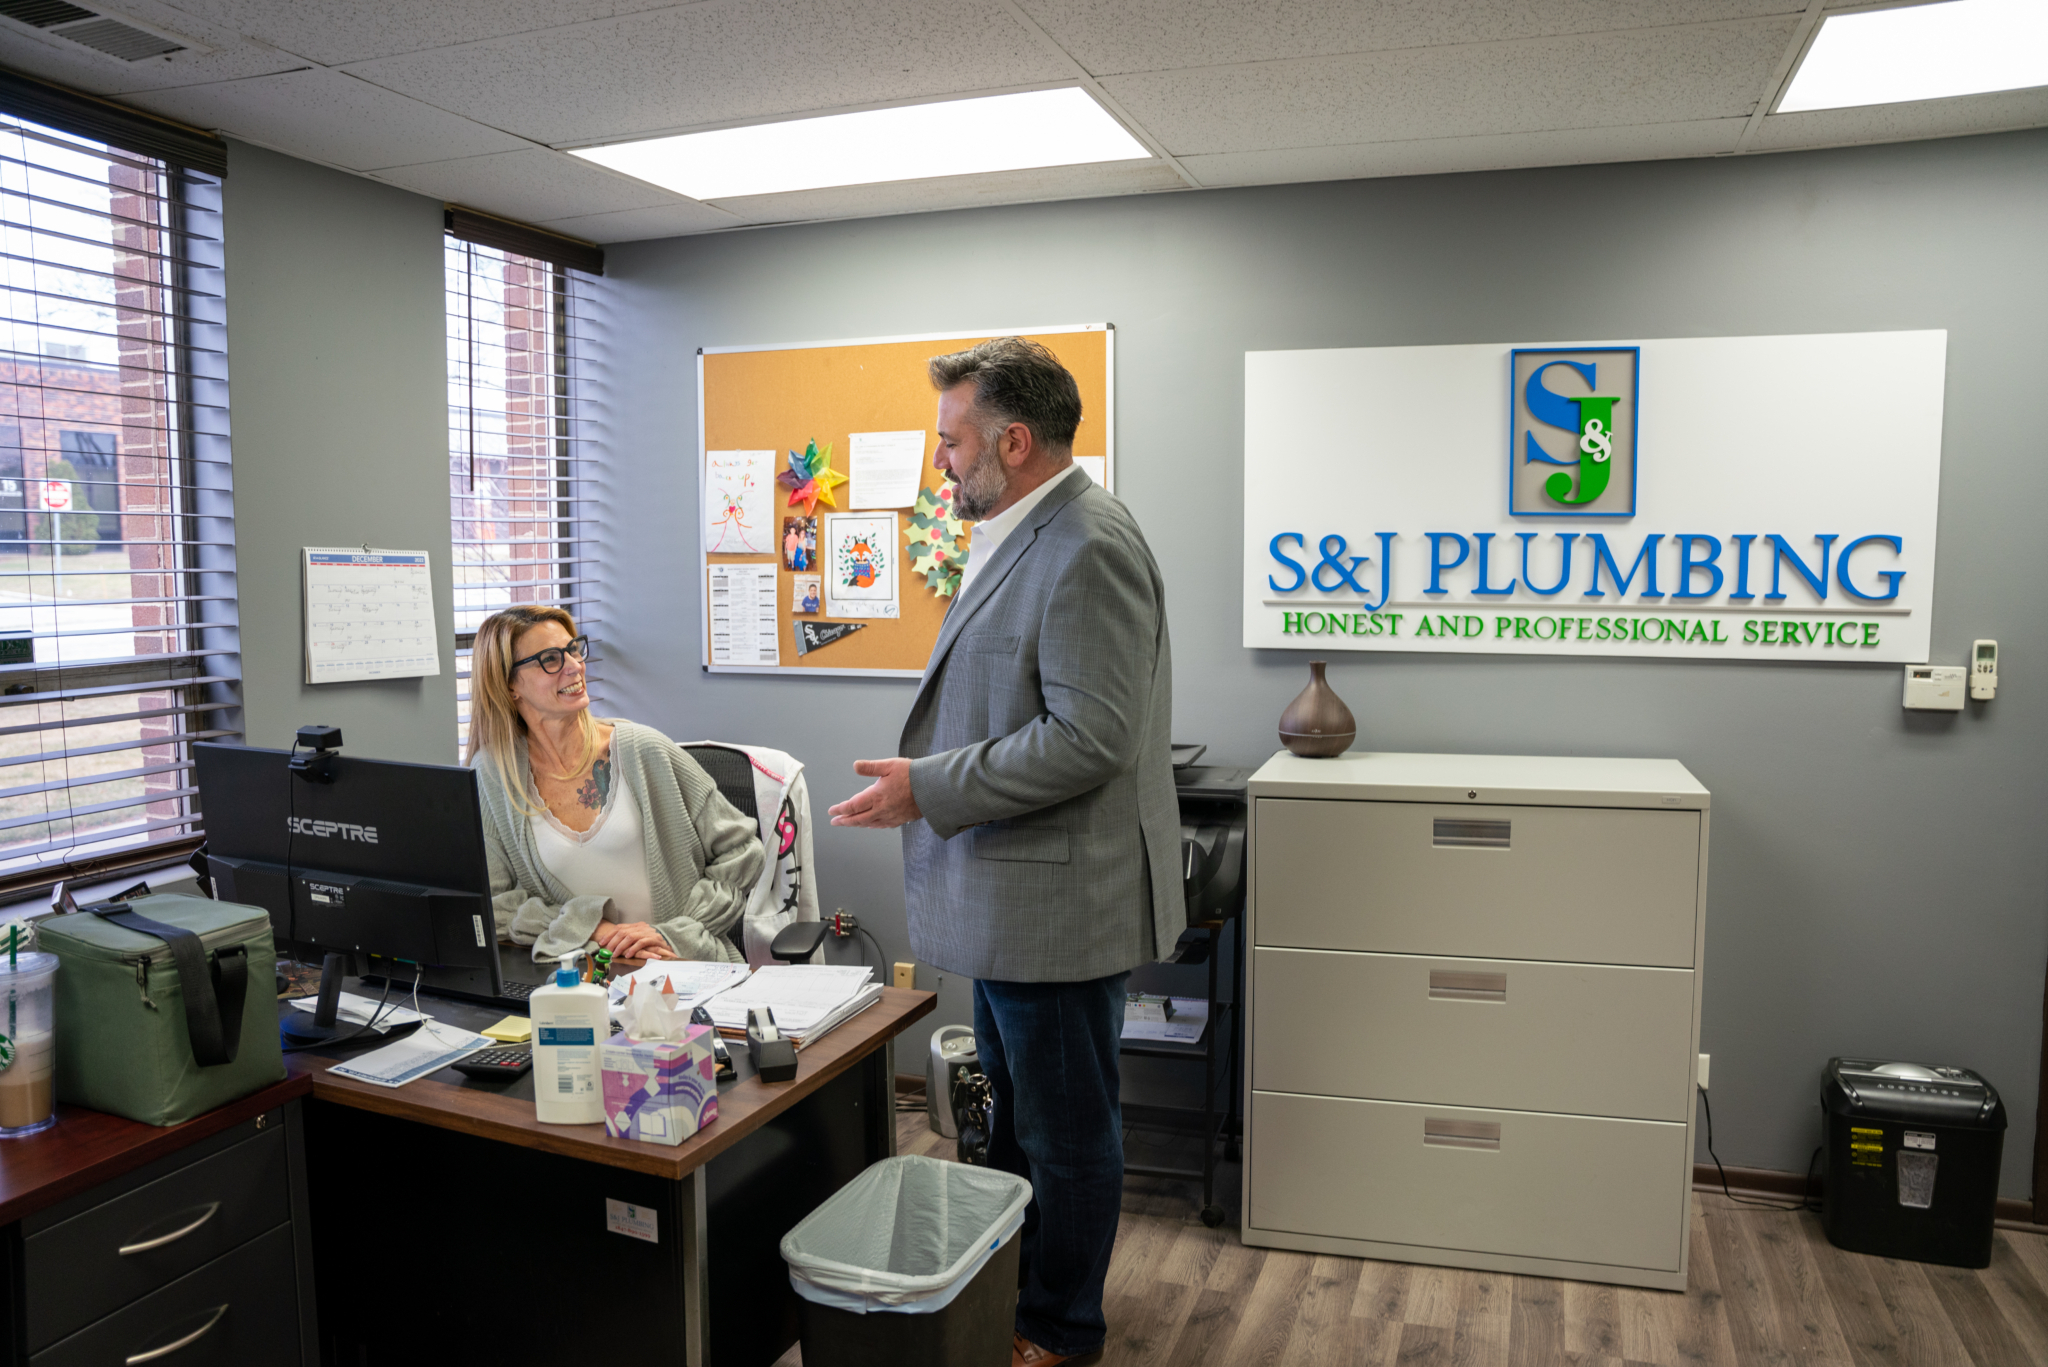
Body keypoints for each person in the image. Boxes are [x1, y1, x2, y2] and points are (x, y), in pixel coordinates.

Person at [829, 338, 1181, 1367]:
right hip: (1010, 901)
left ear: (1013, 441)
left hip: (1055, 910)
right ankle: (1017, 1296)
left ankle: (1060, 1328)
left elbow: (1089, 737)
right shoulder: (1027, 531)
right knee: (1021, 1120)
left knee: (1066, 1134)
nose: (941, 459)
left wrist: (927, 786)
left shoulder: (1086, 544)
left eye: (952, 440)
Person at [467, 605, 764, 965]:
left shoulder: (644, 751)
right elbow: (492, 903)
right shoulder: (493, 775)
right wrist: (590, 928)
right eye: (550, 659)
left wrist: (677, 931)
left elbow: (742, 850)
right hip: (578, 977)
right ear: (509, 685)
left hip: (682, 968)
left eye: (573, 649)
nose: (575, 666)